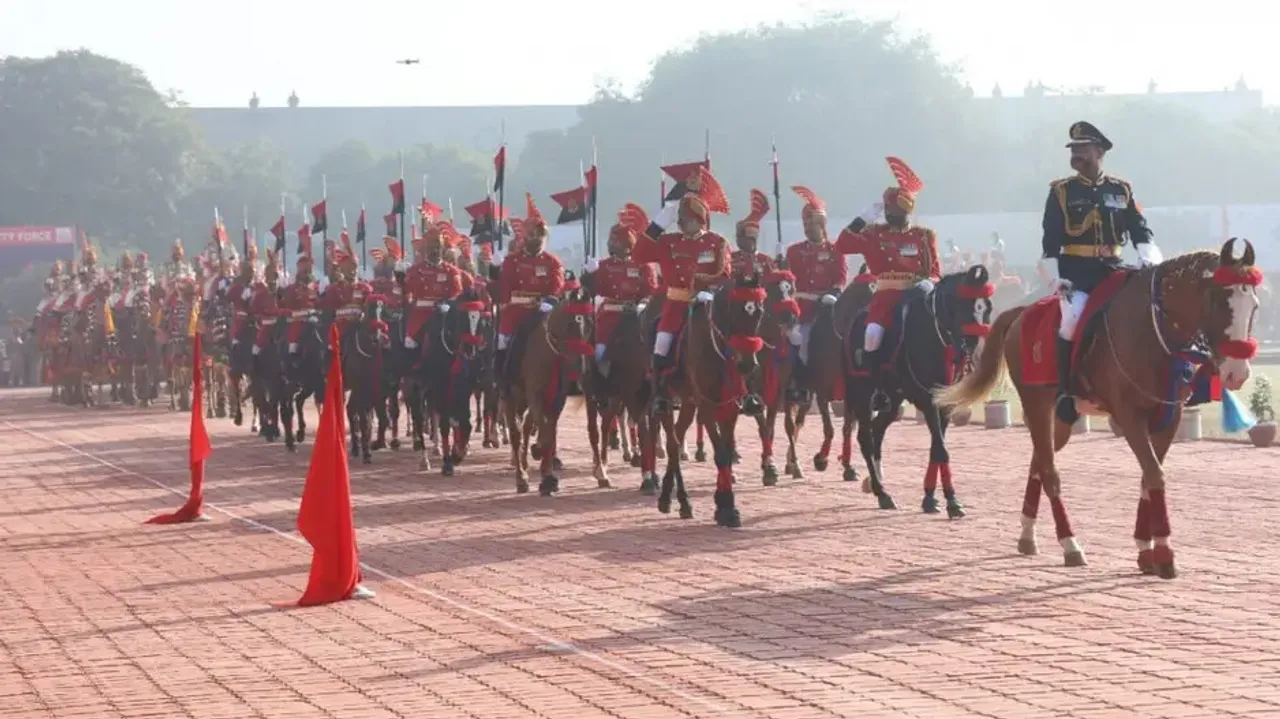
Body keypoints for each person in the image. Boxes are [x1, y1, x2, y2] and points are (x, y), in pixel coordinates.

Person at [1041, 120, 1160, 423]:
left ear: (1099, 151)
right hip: (1076, 272)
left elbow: (1139, 229)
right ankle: (1066, 391)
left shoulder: (1121, 190)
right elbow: (1050, 240)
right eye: (1074, 149)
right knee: (1072, 317)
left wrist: (1148, 256)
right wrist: (1056, 277)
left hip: (1115, 269)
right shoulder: (1062, 192)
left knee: (1149, 310)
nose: (1076, 154)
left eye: (1082, 149)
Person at [628, 167, 732, 415]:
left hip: (708, 305)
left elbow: (725, 273)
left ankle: (745, 391)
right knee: (661, 345)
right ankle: (660, 392)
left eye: (687, 218)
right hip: (675, 305)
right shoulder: (668, 242)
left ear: (700, 218)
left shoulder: (717, 242)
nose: (682, 223)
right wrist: (658, 224)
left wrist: (707, 286)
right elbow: (639, 255)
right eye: (680, 218)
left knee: (735, 342)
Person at [834, 158, 941, 397]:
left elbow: (934, 270)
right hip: (884, 298)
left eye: (896, 211)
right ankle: (877, 386)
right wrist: (861, 220)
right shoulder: (874, 234)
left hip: (917, 297)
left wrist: (929, 282)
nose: (892, 215)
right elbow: (842, 245)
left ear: (908, 211)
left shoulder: (923, 236)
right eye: (888, 211)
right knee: (872, 336)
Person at [784, 186, 849, 400]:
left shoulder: (835, 250)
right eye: (805, 223)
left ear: (822, 225)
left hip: (827, 307)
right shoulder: (793, 251)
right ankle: (799, 383)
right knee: (798, 341)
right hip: (802, 308)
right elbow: (787, 278)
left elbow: (841, 277)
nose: (807, 228)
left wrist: (834, 293)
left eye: (812, 224)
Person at [492, 194, 565, 373]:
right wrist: (493, 269)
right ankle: (501, 379)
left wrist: (550, 300)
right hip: (516, 312)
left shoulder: (552, 262)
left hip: (543, 313)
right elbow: (503, 288)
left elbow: (557, 285)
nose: (538, 238)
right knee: (503, 343)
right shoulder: (512, 261)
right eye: (535, 234)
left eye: (542, 234)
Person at [585, 214, 659, 382]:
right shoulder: (604, 265)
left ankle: (654, 380)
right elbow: (593, 290)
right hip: (609, 316)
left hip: (635, 316)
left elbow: (651, 292)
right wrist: (589, 275)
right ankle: (596, 383)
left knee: (649, 346)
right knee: (598, 351)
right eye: (611, 240)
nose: (611, 244)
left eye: (616, 241)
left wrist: (642, 304)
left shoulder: (644, 266)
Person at [730, 189, 776, 279]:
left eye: (742, 236)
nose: (738, 240)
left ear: (753, 239)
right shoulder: (731, 259)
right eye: (737, 236)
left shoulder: (766, 260)